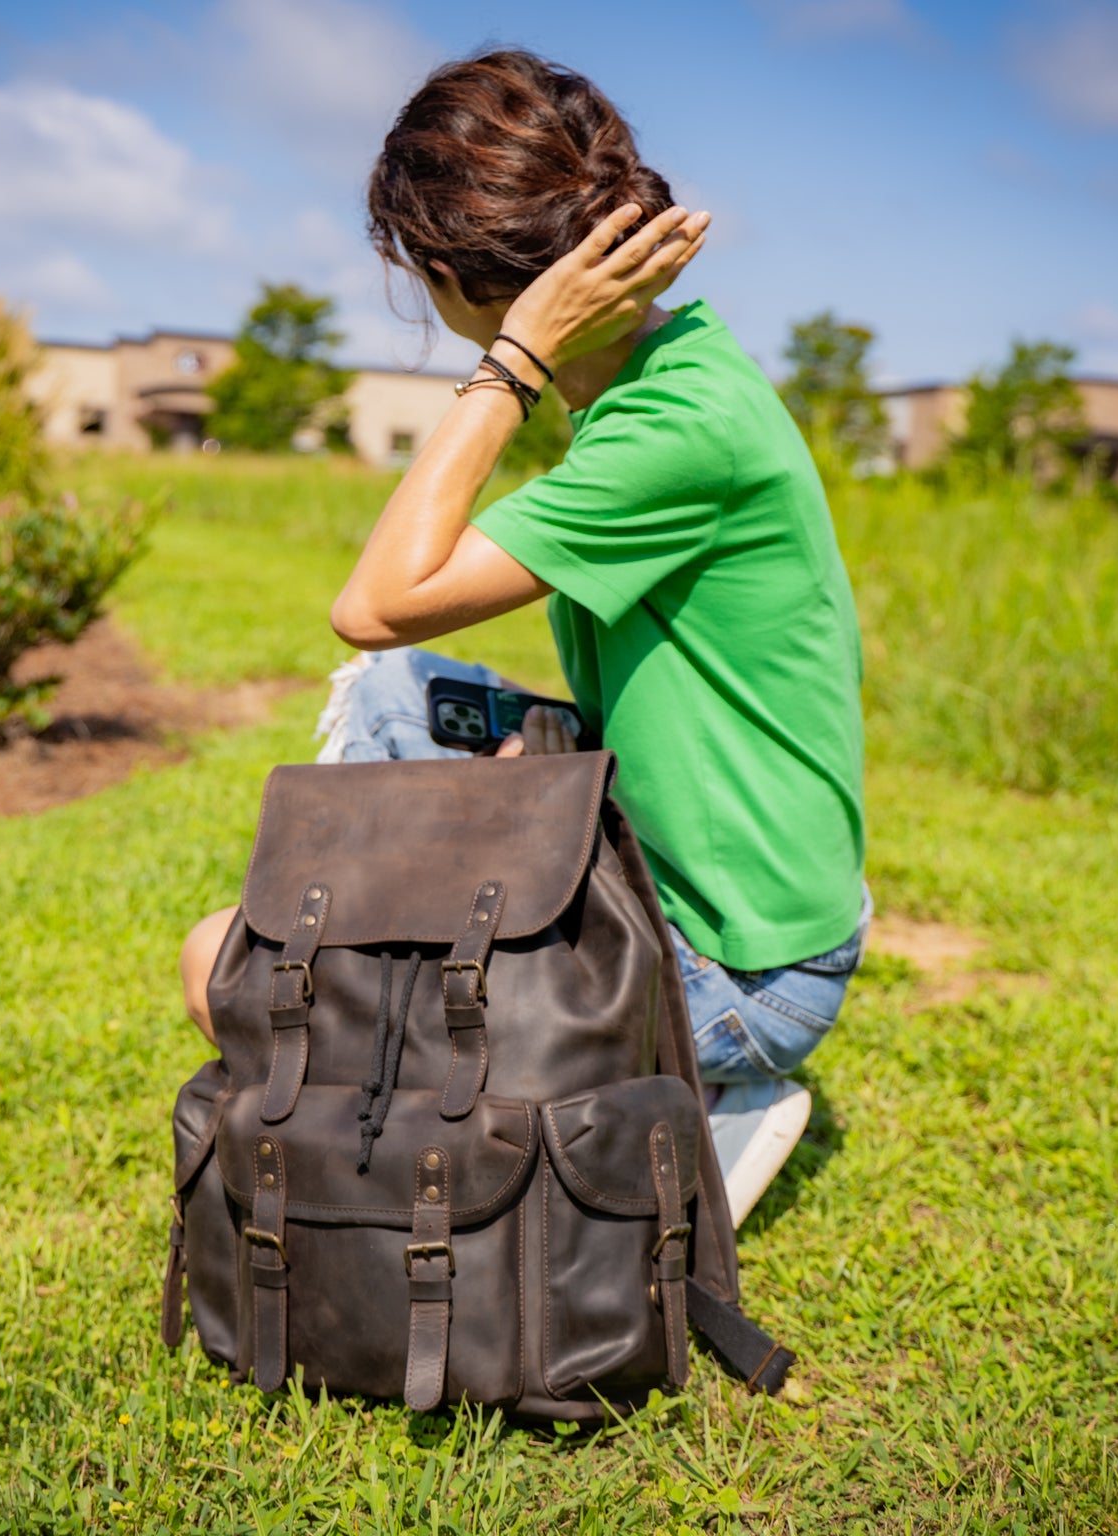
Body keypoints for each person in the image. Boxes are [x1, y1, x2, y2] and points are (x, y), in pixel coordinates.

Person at [180, 49, 869, 1226]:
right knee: (403, 695)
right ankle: (390, 1010)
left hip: (740, 968)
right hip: (692, 882)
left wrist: (512, 360)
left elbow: (376, 593)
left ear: (454, 277)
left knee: (215, 961)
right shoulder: (660, 376)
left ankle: (672, 1108)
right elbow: (390, 633)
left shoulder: (675, 427)